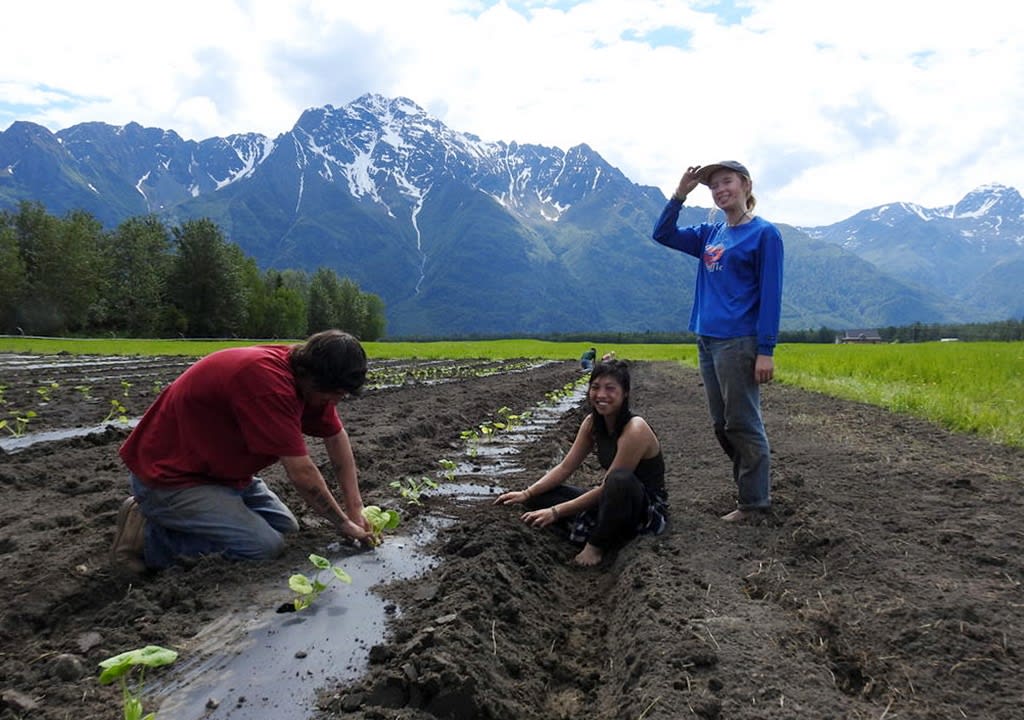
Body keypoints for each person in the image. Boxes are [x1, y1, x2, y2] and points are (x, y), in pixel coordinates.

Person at [111, 329, 373, 573]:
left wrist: (355, 508)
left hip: (223, 475)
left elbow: (336, 438)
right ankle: (147, 538)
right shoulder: (269, 385)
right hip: (172, 479)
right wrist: (342, 524)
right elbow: (301, 473)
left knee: (288, 531)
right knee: (262, 547)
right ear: (312, 377)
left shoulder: (308, 381)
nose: (335, 402)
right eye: (333, 394)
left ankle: (181, 522)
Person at [651, 161, 783, 523]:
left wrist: (766, 350)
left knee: (742, 422)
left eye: (727, 182)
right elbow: (662, 234)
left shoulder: (764, 234)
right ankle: (751, 488)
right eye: (713, 185)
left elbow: (771, 296)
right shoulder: (710, 234)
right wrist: (679, 195)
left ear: (745, 185)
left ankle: (755, 503)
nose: (720, 189)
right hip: (707, 340)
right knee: (721, 424)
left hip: (739, 341)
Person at [494, 359, 668, 566]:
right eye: (595, 387)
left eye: (610, 389)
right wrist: (528, 493)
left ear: (625, 393)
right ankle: (603, 529)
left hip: (641, 506)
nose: (601, 395)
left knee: (618, 480)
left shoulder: (635, 429)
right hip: (609, 498)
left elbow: (608, 487)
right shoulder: (592, 423)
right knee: (537, 499)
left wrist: (556, 511)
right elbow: (566, 467)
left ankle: (596, 546)